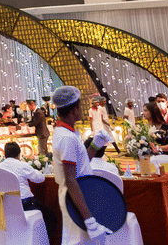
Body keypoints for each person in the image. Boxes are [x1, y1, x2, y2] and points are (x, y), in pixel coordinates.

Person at [49, 85, 110, 244]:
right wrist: (89, 219)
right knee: (78, 241)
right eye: (80, 106)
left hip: (78, 193)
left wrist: (95, 145)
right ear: (74, 110)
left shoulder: (67, 132)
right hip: (75, 196)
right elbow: (71, 178)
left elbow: (81, 164)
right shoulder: (67, 137)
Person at [0, 141, 47, 224]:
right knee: (50, 216)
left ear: (5, 154)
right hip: (25, 204)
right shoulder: (22, 165)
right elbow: (40, 179)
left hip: (4, 206)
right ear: (19, 154)